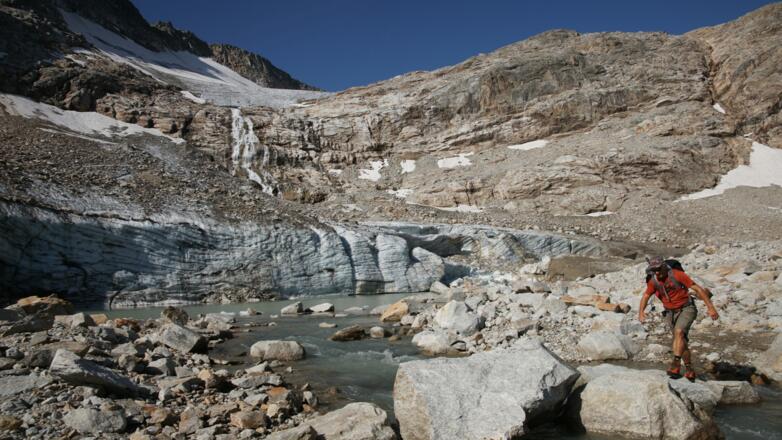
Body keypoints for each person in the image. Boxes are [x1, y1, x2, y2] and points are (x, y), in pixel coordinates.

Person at [638, 256, 719, 381]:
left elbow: (697, 289)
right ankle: (689, 369)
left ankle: (675, 365)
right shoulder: (653, 280)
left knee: (679, 332)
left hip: (686, 308)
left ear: (664, 266)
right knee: (681, 340)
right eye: (654, 271)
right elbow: (646, 295)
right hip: (669, 313)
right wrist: (641, 312)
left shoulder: (677, 275)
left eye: (658, 269)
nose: (657, 273)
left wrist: (711, 308)